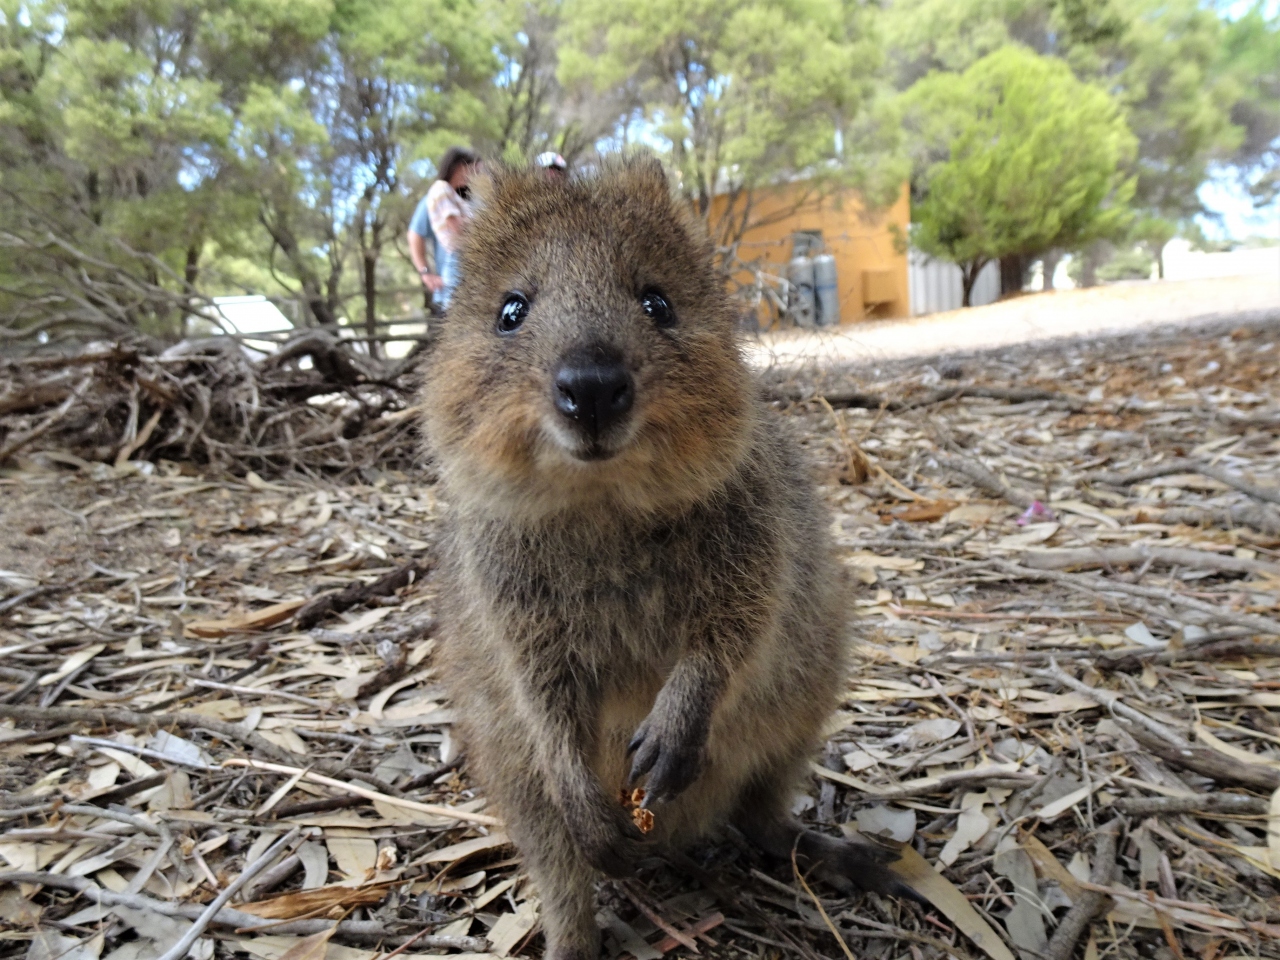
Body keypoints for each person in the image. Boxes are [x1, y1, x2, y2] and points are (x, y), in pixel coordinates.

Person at [408, 147, 478, 311]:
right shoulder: (440, 190)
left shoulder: (462, 197)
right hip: (456, 260)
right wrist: (425, 272)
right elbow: (415, 235)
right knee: (457, 312)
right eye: (469, 169)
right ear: (457, 167)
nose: (472, 175)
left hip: (467, 261)